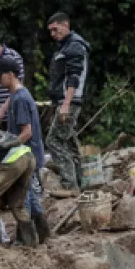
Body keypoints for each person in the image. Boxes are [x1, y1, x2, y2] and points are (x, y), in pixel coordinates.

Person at [0, 55, 51, 241]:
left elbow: (26, 132)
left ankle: (25, 239)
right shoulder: (17, 96)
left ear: (10, 75)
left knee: (22, 201)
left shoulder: (20, 99)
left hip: (26, 157)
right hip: (28, 156)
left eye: (0, 76)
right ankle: (43, 234)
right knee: (31, 198)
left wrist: (7, 147)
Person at [45, 12, 91, 191]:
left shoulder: (74, 46)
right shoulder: (66, 46)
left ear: (65, 25)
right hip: (66, 101)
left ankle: (69, 185)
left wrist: (65, 104)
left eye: (55, 29)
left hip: (69, 102)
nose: (53, 34)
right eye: (50, 31)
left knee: (54, 141)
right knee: (69, 142)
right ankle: (80, 182)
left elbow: (74, 77)